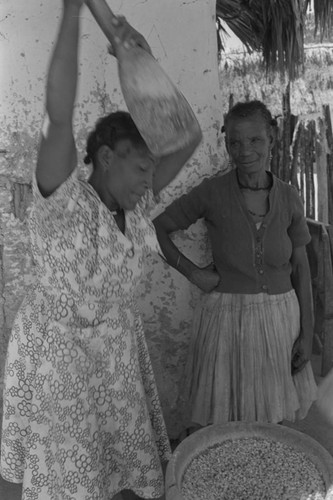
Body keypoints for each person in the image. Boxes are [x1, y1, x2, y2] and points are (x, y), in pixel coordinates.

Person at [0, 1, 202, 499]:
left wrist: (138, 60)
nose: (149, 182)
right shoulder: (63, 197)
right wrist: (74, 12)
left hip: (112, 356)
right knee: (57, 468)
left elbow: (188, 136)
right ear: (106, 157)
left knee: (110, 464)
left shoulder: (134, 211)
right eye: (141, 169)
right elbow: (58, 113)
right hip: (56, 355)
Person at [153, 100, 318, 432]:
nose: (244, 150)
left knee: (273, 421)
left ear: (272, 138)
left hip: (281, 321)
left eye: (255, 140)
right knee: (227, 421)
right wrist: (193, 272)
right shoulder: (213, 193)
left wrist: (307, 334)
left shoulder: (288, 197)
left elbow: (301, 267)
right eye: (235, 142)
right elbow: (155, 229)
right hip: (227, 323)